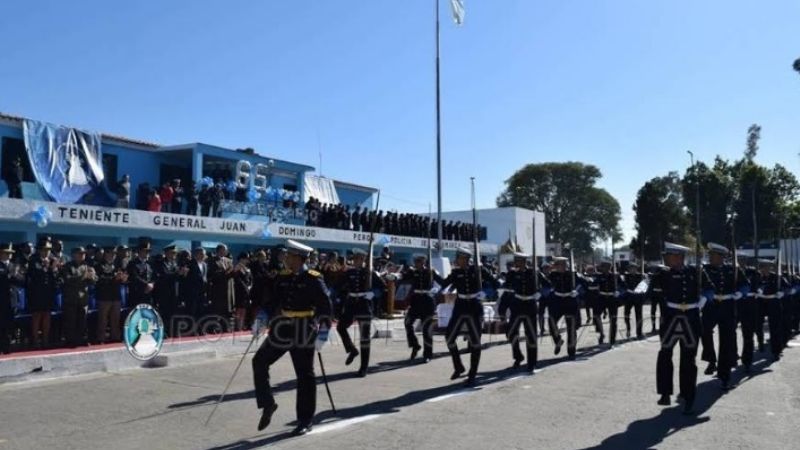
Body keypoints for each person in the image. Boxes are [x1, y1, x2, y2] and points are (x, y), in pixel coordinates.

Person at [251, 239, 333, 436]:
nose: (285, 258)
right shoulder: (282, 276)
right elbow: (273, 301)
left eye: (289, 255)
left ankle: (305, 420)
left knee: (305, 375)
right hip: (282, 327)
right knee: (259, 361)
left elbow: (326, 307)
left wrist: (323, 333)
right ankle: (268, 403)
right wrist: (262, 318)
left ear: (298, 258)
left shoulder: (313, 278)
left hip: (304, 328)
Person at [655, 242, 714, 415]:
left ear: (679, 257)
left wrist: (701, 302)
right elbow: (652, 292)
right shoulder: (662, 273)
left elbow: (709, 289)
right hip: (671, 319)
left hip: (691, 319)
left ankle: (689, 397)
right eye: (667, 257)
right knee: (665, 354)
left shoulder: (696, 272)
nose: (667, 259)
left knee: (689, 359)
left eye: (671, 256)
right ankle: (665, 392)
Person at [440, 247, 497, 385]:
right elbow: (444, 283)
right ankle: (458, 366)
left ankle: (472, 374)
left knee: (475, 341)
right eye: (457, 257)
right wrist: (433, 277)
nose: (457, 260)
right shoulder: (456, 272)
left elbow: (495, 282)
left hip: (474, 306)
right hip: (460, 306)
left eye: (459, 258)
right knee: (449, 337)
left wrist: (485, 292)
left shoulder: (478, 270)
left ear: (465, 258)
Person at [700, 243, 749, 389]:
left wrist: (740, 293)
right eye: (710, 256)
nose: (711, 258)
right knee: (705, 331)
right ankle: (711, 359)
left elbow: (745, 284)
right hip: (711, 305)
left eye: (714, 256)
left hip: (727, 306)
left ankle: (724, 375)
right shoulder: (705, 269)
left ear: (721, 257)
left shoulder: (732, 269)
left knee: (727, 340)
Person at [335, 248, 386, 377]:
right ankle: (352, 349)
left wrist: (373, 293)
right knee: (341, 327)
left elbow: (382, 287)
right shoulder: (349, 272)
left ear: (364, 259)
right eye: (355, 258)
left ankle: (364, 367)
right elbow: (339, 286)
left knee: (364, 337)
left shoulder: (370, 272)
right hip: (352, 303)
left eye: (360, 258)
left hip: (364, 304)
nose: (357, 261)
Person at [499, 252, 550, 372]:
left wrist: (539, 293)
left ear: (524, 262)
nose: (517, 263)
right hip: (516, 305)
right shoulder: (512, 273)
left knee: (531, 335)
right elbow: (507, 288)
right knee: (511, 333)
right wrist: (503, 307)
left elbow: (548, 284)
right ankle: (518, 356)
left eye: (519, 261)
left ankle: (532, 362)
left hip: (530, 305)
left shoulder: (534, 272)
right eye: (516, 261)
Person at [398, 254, 445, 363]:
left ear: (424, 262)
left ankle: (427, 354)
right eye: (416, 261)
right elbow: (402, 278)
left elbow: (443, 282)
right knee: (407, 322)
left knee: (426, 329)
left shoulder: (431, 272)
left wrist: (436, 291)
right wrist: (395, 276)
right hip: (416, 302)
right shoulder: (412, 272)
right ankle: (415, 345)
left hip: (428, 302)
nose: (417, 263)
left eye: (420, 261)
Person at [60, 247, 97, 347]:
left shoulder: (87, 266)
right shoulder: (68, 266)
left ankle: (81, 339)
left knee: (82, 321)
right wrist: (82, 277)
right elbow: (68, 280)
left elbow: (94, 281)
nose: (82, 255)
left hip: (83, 298)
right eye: (79, 253)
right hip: (71, 298)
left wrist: (92, 277)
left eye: (83, 254)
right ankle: (70, 341)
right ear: (74, 255)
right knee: (71, 321)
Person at [547, 257, 582, 359]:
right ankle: (558, 340)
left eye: (561, 265)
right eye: (557, 265)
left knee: (571, 327)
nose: (559, 267)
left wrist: (576, 291)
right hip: (557, 301)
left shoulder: (573, 274)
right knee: (551, 321)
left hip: (570, 300)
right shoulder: (552, 275)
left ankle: (571, 351)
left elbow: (583, 283)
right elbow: (547, 285)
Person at [754, 259, 789, 361]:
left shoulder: (777, 277)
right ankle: (760, 342)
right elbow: (751, 288)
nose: (765, 269)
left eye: (767, 267)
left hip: (773, 303)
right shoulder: (757, 277)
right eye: (763, 267)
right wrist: (756, 292)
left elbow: (787, 288)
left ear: (771, 268)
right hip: (760, 303)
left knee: (775, 328)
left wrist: (782, 293)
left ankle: (776, 351)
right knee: (757, 326)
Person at [27, 237, 58, 348]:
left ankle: (45, 340)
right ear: (39, 250)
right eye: (44, 249)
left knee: (47, 316)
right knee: (36, 317)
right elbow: (32, 276)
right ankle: (35, 341)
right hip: (36, 293)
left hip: (48, 293)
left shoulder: (52, 260)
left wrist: (52, 269)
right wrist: (44, 266)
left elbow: (55, 278)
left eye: (48, 250)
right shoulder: (33, 260)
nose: (46, 252)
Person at [95, 246, 126, 343]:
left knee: (115, 319)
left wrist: (123, 279)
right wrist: (114, 279)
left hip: (116, 295)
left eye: (114, 254)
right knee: (103, 320)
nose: (113, 256)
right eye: (111, 253)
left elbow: (122, 279)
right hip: (104, 296)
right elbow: (99, 280)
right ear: (106, 254)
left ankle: (115, 337)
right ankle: (101, 338)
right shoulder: (99, 265)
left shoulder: (118, 265)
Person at [591, 259, 623, 346]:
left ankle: (612, 340)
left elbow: (624, 286)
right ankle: (601, 333)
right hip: (602, 298)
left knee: (613, 319)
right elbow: (592, 285)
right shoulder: (599, 276)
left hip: (612, 298)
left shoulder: (616, 276)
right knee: (596, 316)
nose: (604, 269)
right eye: (603, 267)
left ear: (610, 267)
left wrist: (619, 292)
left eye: (606, 267)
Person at [154, 244, 182, 336]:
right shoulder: (161, 263)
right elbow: (164, 276)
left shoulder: (175, 263)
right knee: (164, 313)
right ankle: (163, 332)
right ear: (166, 253)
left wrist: (181, 274)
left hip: (174, 292)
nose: (174, 255)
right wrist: (177, 273)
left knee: (173, 313)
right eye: (172, 253)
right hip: (164, 292)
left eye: (175, 253)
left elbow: (176, 277)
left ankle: (172, 331)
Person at [0, 243, 23, 354]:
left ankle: (7, 347)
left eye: (10, 253)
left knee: (9, 324)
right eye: (6, 253)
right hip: (1, 299)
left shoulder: (14, 266)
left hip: (12, 299)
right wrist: (9, 275)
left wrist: (14, 275)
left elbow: (21, 281)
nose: (9, 255)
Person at [208, 244, 235, 332]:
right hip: (218, 290)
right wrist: (226, 272)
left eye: (226, 250)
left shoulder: (229, 261)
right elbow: (213, 275)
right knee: (217, 310)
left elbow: (232, 275)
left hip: (228, 291)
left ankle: (226, 327)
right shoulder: (212, 260)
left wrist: (235, 271)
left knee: (227, 311)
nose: (225, 251)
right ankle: (214, 328)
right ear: (219, 250)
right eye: (224, 250)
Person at [127, 239, 154, 306]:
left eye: (149, 251)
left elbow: (154, 276)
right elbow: (134, 276)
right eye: (146, 251)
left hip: (148, 295)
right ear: (140, 251)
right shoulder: (132, 263)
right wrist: (146, 285)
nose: (148, 253)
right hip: (136, 294)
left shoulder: (150, 264)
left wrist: (152, 284)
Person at [623, 264, 647, 340]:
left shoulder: (641, 276)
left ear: (636, 269)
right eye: (631, 269)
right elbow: (623, 285)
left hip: (637, 298)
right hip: (629, 298)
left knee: (639, 316)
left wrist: (644, 278)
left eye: (634, 268)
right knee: (626, 314)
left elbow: (645, 286)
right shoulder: (626, 276)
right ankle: (628, 329)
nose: (632, 270)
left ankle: (639, 333)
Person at [232, 252, 253, 331]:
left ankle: (242, 324)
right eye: (245, 258)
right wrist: (245, 287)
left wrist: (250, 286)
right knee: (238, 308)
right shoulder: (237, 267)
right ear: (241, 259)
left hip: (247, 291)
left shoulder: (248, 268)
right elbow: (237, 279)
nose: (247, 260)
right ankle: (237, 326)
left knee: (244, 308)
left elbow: (251, 279)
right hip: (239, 290)